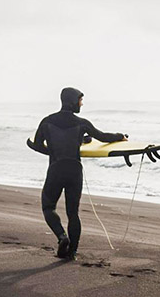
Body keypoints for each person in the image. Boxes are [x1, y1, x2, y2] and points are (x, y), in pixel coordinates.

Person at [29, 87, 127, 260]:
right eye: (80, 100)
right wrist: (120, 136)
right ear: (73, 101)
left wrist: (53, 151)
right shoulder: (82, 123)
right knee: (72, 213)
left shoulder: (47, 121)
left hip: (56, 169)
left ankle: (62, 237)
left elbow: (37, 145)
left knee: (48, 207)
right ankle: (72, 252)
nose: (81, 104)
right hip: (75, 171)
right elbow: (103, 137)